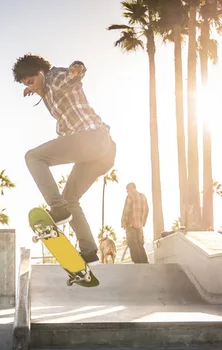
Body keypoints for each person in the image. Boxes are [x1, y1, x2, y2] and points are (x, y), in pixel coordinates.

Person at [13, 53, 116, 266]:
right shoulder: (44, 89)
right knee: (71, 199)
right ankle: (89, 253)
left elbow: (72, 76)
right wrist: (34, 88)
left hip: (91, 139)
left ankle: (57, 209)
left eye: (31, 81)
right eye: (26, 84)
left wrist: (76, 69)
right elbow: (46, 90)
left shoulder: (55, 78)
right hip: (102, 153)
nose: (30, 87)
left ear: (41, 73)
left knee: (34, 157)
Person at [121, 183, 149, 263]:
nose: (127, 192)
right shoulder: (143, 196)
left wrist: (124, 222)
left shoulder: (130, 196)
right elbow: (147, 210)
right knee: (140, 245)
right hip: (139, 225)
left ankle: (138, 264)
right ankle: (145, 263)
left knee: (133, 245)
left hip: (131, 224)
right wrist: (143, 222)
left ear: (130, 188)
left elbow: (126, 210)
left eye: (127, 190)